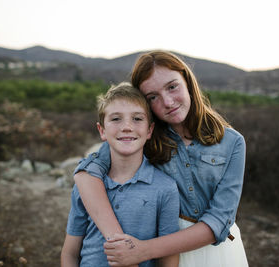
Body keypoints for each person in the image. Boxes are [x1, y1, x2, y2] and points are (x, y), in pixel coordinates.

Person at [73, 51, 249, 267]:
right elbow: (87, 172)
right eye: (152, 97)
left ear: (187, 81)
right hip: (161, 243)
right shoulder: (145, 135)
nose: (167, 102)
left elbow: (220, 219)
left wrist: (140, 251)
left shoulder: (232, 142)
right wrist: (121, 242)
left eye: (172, 86)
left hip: (212, 251)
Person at [61, 82, 180, 267]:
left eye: (137, 119)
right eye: (116, 119)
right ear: (102, 130)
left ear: (149, 130)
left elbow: (169, 257)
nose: (126, 127)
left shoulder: (165, 188)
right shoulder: (87, 185)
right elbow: (70, 253)